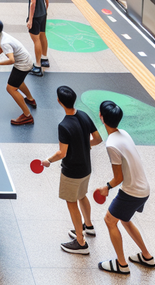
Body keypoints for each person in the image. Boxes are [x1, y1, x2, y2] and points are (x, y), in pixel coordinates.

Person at [39, 86, 103, 255]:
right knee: (82, 196)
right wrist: (84, 145)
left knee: (71, 202)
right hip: (86, 168)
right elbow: (98, 139)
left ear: (59, 102)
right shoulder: (83, 115)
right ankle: (88, 226)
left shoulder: (64, 125)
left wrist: (48, 161)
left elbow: (62, 153)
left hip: (72, 171)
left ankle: (81, 242)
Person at [96, 101, 155, 274]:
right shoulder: (124, 134)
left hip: (132, 192)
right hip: (144, 189)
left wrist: (106, 187)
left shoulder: (111, 144)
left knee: (109, 220)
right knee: (125, 219)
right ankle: (146, 256)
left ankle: (122, 265)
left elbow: (118, 178)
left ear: (101, 117)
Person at [0, 19, 37, 126]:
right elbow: (3, 49)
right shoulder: (2, 36)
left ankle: (27, 116)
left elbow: (11, 60)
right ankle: (30, 99)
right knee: (18, 81)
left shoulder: (4, 42)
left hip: (22, 65)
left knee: (10, 88)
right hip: (26, 60)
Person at [25, 0, 49, 73]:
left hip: (36, 16)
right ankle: (45, 59)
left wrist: (30, 20)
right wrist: (45, 8)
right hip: (43, 13)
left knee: (36, 40)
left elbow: (32, 4)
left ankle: (38, 65)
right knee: (43, 35)